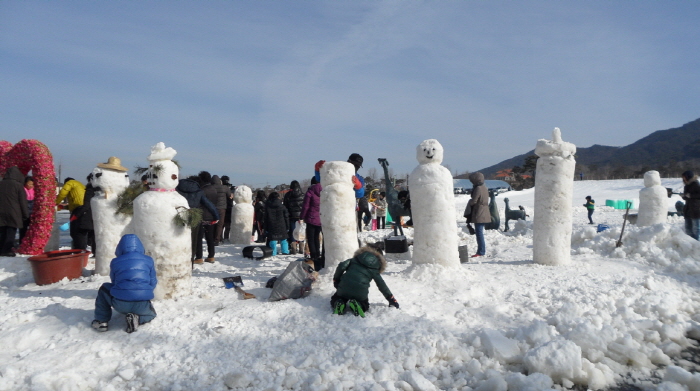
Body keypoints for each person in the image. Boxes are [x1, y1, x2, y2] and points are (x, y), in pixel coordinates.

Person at [91, 234, 157, 333]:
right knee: (151, 315)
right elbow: (153, 282)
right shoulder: (149, 260)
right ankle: (137, 319)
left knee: (104, 288)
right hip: (142, 303)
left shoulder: (115, 262)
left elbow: (114, 281)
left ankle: (101, 321)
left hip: (120, 303)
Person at [330, 246, 399, 317]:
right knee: (365, 304)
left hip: (344, 286)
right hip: (360, 292)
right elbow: (381, 285)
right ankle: (359, 304)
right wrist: (391, 299)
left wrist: (336, 280)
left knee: (337, 297)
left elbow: (341, 266)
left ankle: (339, 302)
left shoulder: (355, 259)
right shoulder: (374, 269)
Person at [176, 175, 219, 266]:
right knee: (195, 240)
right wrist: (216, 216)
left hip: (179, 217)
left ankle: (179, 260)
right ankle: (191, 262)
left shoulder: (177, 189)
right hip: (195, 217)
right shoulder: (199, 191)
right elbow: (209, 204)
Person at [0, 167, 29, 257]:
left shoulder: (0, 184)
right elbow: (22, 201)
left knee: (2, 231)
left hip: (0, 212)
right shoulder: (18, 186)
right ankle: (7, 250)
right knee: (11, 232)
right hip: (14, 212)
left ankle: (1, 249)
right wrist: (25, 215)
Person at [55, 177, 88, 250]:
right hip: (83, 209)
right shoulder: (80, 185)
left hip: (78, 210)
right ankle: (80, 248)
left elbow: (63, 192)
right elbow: (74, 203)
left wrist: (55, 202)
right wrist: (64, 207)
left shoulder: (70, 183)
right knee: (80, 231)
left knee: (75, 231)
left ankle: (78, 249)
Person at [300, 176, 323, 270]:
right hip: (321, 218)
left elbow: (306, 206)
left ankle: (314, 256)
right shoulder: (325, 191)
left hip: (311, 218)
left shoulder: (310, 191)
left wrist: (302, 217)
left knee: (311, 238)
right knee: (317, 237)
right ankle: (318, 254)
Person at [197, 171, 220, 263]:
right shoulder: (214, 189)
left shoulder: (202, 190)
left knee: (199, 238)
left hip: (202, 217)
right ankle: (211, 256)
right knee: (210, 238)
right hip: (212, 216)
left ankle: (199, 257)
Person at [467, 172, 489, 258]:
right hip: (485, 211)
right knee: (480, 232)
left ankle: (481, 251)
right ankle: (481, 251)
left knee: (479, 233)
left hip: (479, 212)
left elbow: (474, 201)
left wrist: (470, 202)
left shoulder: (478, 189)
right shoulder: (484, 188)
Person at [283, 180, 304, 254]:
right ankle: (301, 247)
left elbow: (285, 206)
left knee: (292, 231)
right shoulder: (302, 194)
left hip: (291, 216)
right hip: (301, 216)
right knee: (301, 231)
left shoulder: (288, 195)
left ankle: (293, 248)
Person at [211, 175, 231, 245]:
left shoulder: (210, 187)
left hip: (212, 207)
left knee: (213, 223)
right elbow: (230, 196)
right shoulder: (225, 188)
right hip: (222, 208)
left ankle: (212, 238)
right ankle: (217, 239)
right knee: (220, 224)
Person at [682, 171, 700, 240]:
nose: (684, 179)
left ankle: (697, 244)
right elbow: (686, 196)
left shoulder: (696, 184)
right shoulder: (687, 185)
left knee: (696, 228)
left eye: (684, 177)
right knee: (688, 228)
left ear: (688, 177)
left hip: (696, 209)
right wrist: (684, 196)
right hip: (688, 209)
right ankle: (690, 243)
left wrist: (691, 195)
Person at [18, 176, 35, 245]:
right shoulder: (23, 190)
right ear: (25, 183)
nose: (31, 186)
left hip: (32, 210)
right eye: (29, 184)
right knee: (23, 229)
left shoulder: (34, 190)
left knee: (31, 229)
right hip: (24, 211)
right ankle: (21, 242)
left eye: (32, 184)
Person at [221, 176, 234, 242]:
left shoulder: (220, 188)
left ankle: (221, 237)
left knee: (221, 224)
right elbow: (232, 197)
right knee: (227, 225)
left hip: (223, 207)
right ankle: (226, 237)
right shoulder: (230, 188)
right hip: (229, 207)